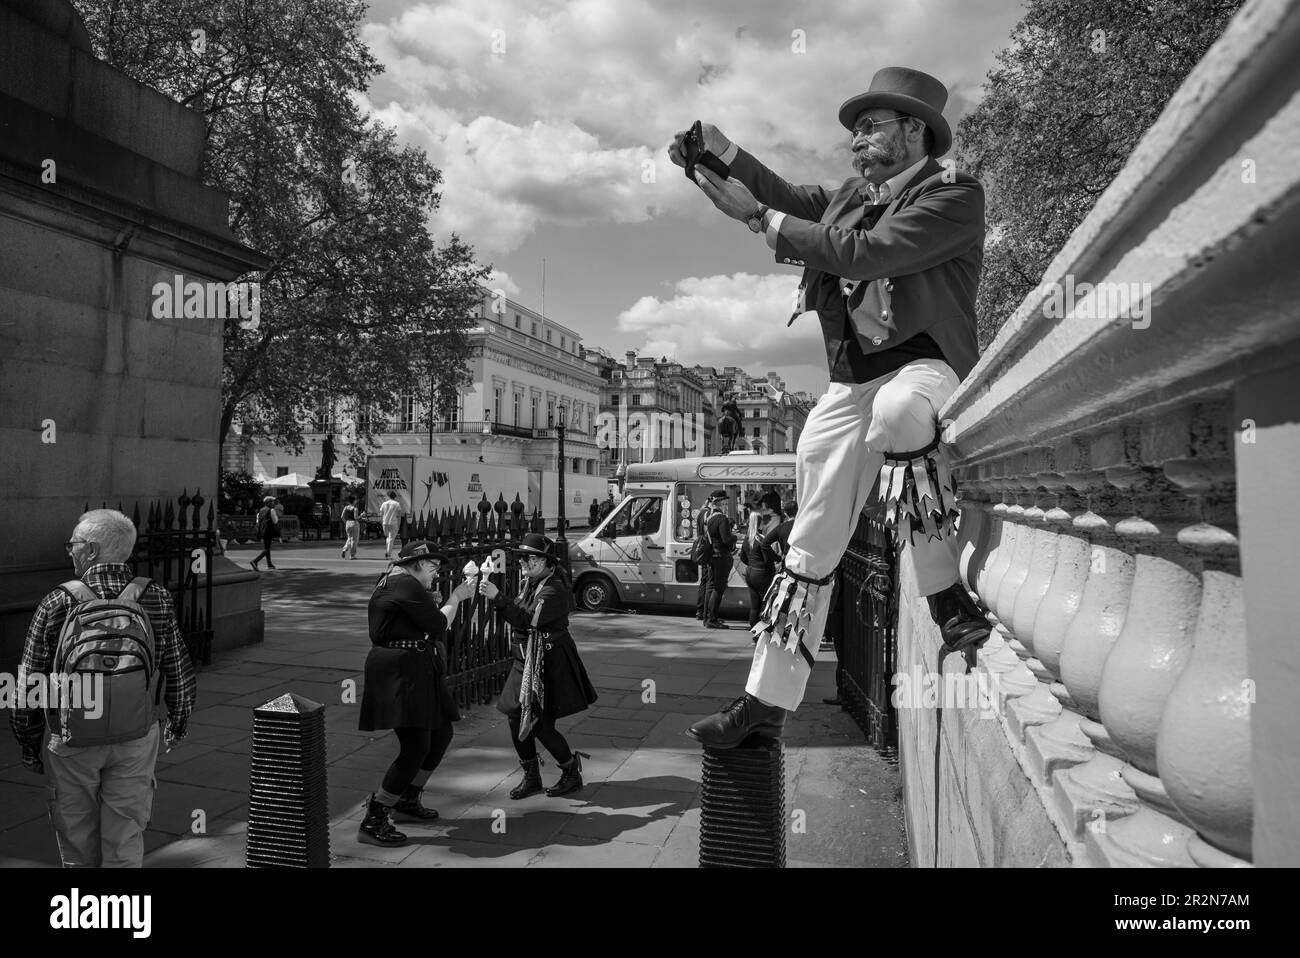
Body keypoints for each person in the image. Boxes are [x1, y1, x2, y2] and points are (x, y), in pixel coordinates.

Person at [676, 67, 992, 748]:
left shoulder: (955, 192)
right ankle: (763, 700)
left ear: (915, 131)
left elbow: (876, 253)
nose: (857, 141)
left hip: (922, 365)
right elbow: (785, 195)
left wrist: (762, 220)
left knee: (902, 413)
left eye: (872, 126)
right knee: (810, 536)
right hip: (851, 382)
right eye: (854, 131)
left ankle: (944, 595)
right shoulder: (853, 194)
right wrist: (716, 152)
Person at [11, 509, 196, 866]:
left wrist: (29, 741)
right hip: (136, 733)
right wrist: (177, 721)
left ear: (92, 550)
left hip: (71, 737)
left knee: (76, 838)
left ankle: (87, 914)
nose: (70, 550)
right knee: (125, 835)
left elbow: (29, 680)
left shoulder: (58, 600)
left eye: (74, 544)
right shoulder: (154, 596)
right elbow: (177, 665)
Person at [356, 541, 477, 846]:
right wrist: (457, 597)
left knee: (441, 733)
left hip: (415, 667)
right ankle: (375, 817)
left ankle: (406, 799)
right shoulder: (405, 584)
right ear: (420, 564)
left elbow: (413, 621)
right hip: (401, 672)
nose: (436, 574)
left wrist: (429, 601)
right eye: (434, 568)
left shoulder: (399, 583)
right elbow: (437, 625)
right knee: (415, 746)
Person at [479, 534, 597, 799]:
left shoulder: (553, 588)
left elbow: (527, 619)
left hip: (548, 661)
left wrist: (498, 598)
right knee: (514, 716)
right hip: (527, 660)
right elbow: (521, 613)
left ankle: (570, 772)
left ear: (547, 562)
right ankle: (531, 775)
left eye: (531, 557)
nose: (524, 562)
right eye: (522, 557)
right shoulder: (533, 582)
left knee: (541, 724)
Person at [738, 491, 783, 631]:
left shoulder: (747, 539)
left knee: (754, 605)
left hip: (750, 572)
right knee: (766, 603)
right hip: (761, 573)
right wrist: (777, 559)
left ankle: (754, 632)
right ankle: (764, 631)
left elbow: (742, 557)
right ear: (759, 522)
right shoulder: (761, 539)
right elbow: (768, 556)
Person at [701, 490, 736, 629]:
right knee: (718, 588)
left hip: (712, 556)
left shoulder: (708, 516)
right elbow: (726, 540)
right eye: (725, 501)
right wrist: (734, 537)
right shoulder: (721, 519)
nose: (726, 504)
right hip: (721, 556)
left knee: (711, 587)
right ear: (720, 502)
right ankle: (712, 619)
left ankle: (707, 617)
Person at [693, 498, 715, 621]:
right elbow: (709, 533)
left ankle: (700, 610)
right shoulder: (708, 513)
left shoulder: (701, 512)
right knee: (708, 582)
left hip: (702, 547)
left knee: (704, 580)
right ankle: (705, 612)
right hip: (707, 549)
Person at [250, 495, 279, 570]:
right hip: (269, 530)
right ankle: (255, 561)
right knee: (267, 549)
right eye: (272, 502)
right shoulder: (271, 510)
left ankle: (269, 564)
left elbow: (257, 521)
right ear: (268, 503)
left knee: (267, 547)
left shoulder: (260, 510)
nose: (273, 503)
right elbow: (275, 521)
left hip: (261, 531)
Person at [379, 491, 403, 559]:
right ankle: (388, 554)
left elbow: (381, 514)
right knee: (391, 539)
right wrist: (399, 524)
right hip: (393, 523)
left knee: (388, 538)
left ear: (388, 496)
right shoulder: (397, 504)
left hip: (385, 523)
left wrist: (381, 523)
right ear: (394, 496)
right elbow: (399, 516)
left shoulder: (384, 503)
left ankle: (388, 551)